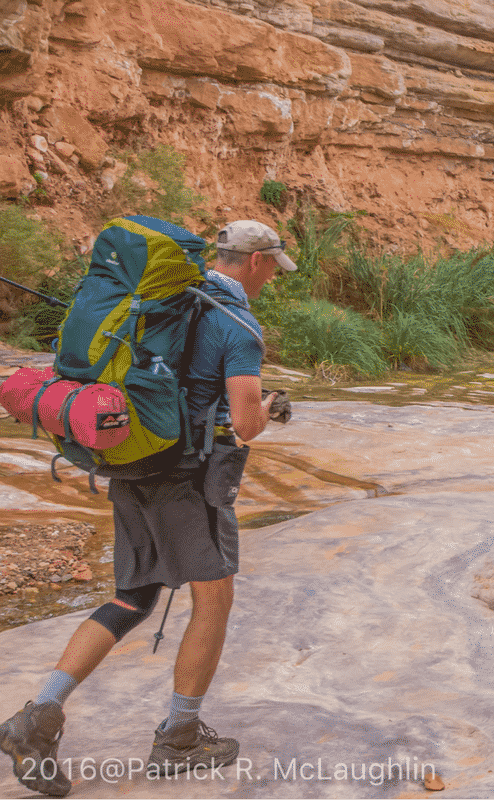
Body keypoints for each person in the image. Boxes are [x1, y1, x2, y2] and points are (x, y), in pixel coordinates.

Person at [0, 220, 298, 797]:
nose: (270, 279)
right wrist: (269, 406)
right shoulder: (237, 324)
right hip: (187, 478)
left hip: (130, 463)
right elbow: (245, 423)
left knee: (131, 595)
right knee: (213, 600)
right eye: (271, 268)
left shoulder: (162, 305)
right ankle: (180, 736)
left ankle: (38, 717)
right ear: (257, 261)